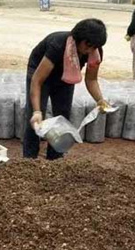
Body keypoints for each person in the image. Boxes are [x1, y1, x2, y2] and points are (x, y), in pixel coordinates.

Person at [24, 19, 110, 160]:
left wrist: (100, 100)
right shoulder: (58, 45)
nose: (90, 50)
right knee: (35, 120)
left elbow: (91, 79)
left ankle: (55, 159)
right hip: (40, 74)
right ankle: (28, 160)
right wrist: (37, 111)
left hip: (66, 75)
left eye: (94, 47)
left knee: (63, 117)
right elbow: (37, 80)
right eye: (88, 45)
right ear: (78, 39)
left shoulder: (95, 50)